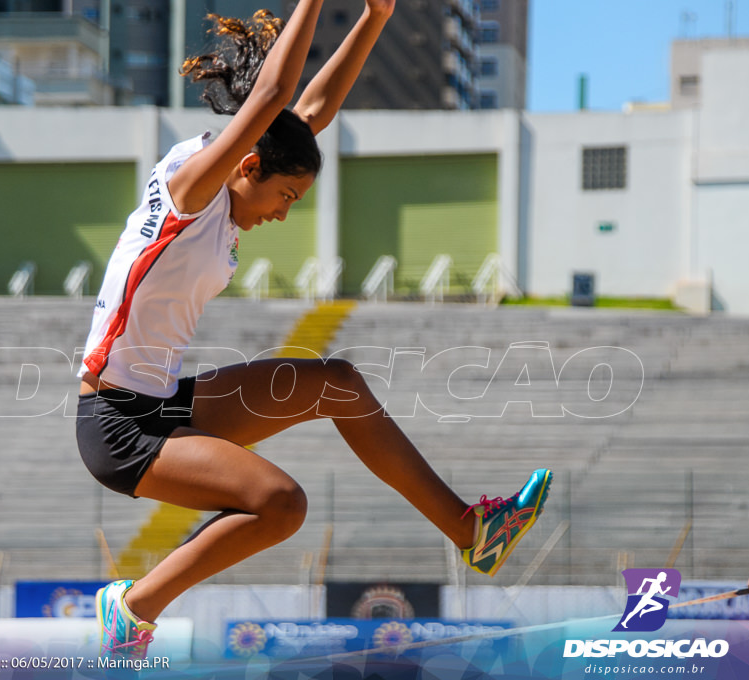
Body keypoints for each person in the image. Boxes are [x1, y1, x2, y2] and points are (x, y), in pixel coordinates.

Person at [76, 0, 552, 660]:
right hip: (116, 426)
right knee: (280, 504)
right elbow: (273, 95)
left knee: (339, 385)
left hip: (163, 402)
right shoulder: (193, 192)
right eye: (286, 198)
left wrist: (376, 16)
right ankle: (133, 609)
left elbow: (308, 107)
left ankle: (473, 532)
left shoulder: (232, 165)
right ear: (247, 168)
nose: (283, 214)